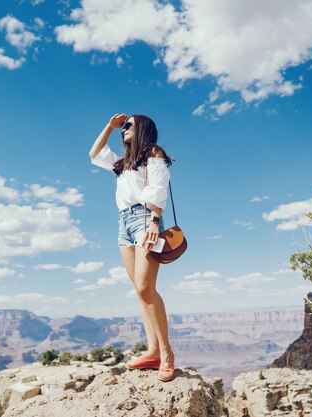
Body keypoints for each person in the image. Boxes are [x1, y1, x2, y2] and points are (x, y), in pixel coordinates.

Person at [88, 113, 176, 382]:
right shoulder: (123, 163)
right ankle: (152, 351)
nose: (124, 129)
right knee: (141, 293)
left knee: (144, 287)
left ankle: (167, 354)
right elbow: (94, 153)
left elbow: (159, 187)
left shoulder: (153, 152)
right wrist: (109, 126)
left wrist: (154, 221)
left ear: (143, 130)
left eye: (128, 126)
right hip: (123, 222)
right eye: (123, 127)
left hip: (144, 218)